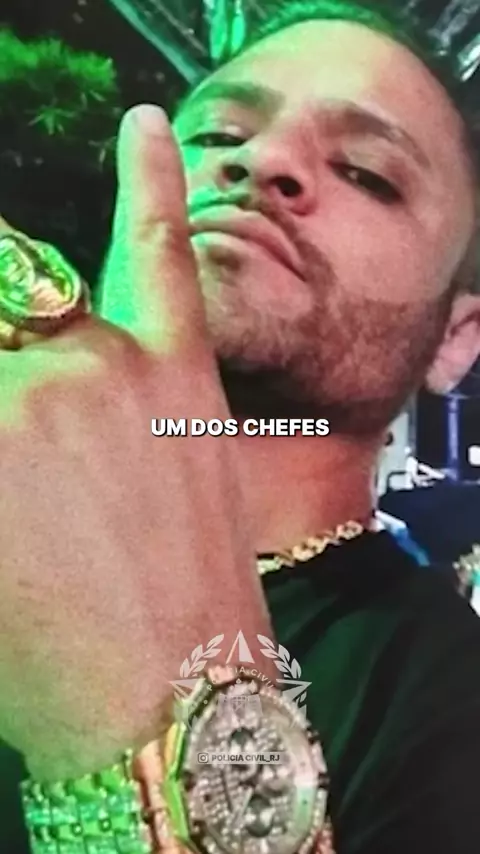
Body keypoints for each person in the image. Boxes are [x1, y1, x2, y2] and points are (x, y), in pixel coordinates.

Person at [1, 1, 480, 852]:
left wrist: (149, 729)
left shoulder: (441, 698)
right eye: (218, 134)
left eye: (367, 173)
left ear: (456, 338)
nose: (263, 159)